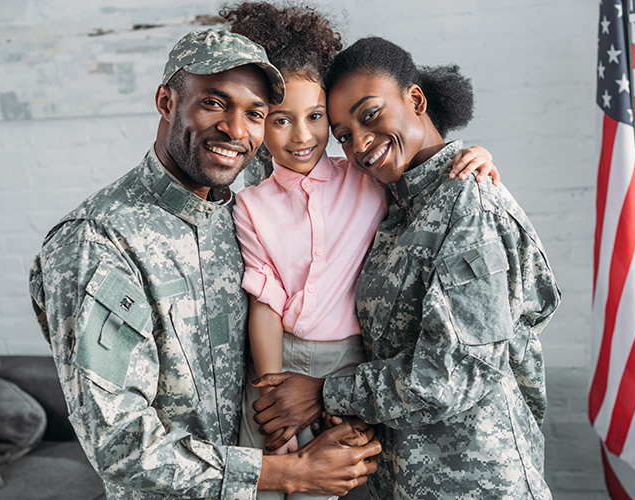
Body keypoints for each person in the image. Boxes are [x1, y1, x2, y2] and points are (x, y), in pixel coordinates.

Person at [28, 28, 381, 500]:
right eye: (214, 103)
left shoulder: (238, 201)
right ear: (166, 101)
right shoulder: (96, 242)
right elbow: (120, 446)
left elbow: (336, 151)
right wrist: (290, 473)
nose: (236, 130)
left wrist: (458, 161)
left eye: (256, 114)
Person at [251, 37, 562, 499]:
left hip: (477, 482)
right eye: (344, 134)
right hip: (403, 481)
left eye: (370, 114)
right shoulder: (392, 204)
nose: (360, 142)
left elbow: (454, 373)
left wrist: (323, 393)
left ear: (415, 99)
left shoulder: (470, 203)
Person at [221, 8, 498, 499]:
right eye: (281, 120)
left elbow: (421, 172)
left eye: (316, 120)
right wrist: (271, 390)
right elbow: (264, 300)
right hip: (283, 359)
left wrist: (473, 154)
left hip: (355, 366)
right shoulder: (250, 204)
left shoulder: (365, 178)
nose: (303, 136)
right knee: (273, 478)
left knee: (339, 483)